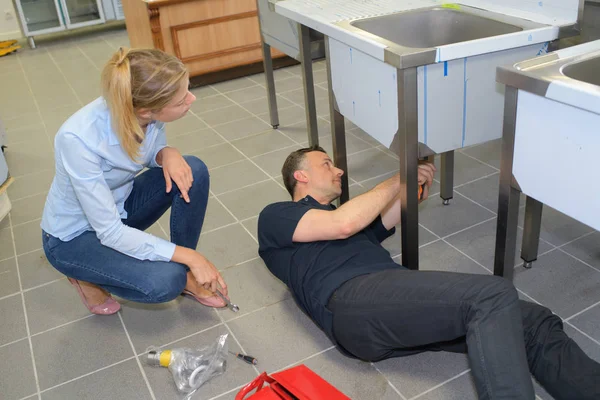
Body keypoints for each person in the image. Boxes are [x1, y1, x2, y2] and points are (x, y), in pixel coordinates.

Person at [257, 145, 600, 400]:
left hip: (387, 301)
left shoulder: (348, 222)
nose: (339, 170)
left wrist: (414, 177)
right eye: (327, 163)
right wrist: (396, 178)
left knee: (533, 322)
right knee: (492, 296)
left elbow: (383, 215)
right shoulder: (277, 216)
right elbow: (345, 222)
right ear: (300, 176)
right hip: (351, 299)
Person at [41, 47, 228, 315]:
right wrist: (192, 256)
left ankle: (188, 274)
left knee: (193, 170)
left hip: (118, 209)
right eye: (181, 101)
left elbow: (147, 152)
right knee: (165, 283)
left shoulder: (143, 107)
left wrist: (167, 154)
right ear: (145, 111)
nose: (192, 98)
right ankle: (88, 275)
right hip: (74, 237)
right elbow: (111, 233)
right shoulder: (78, 139)